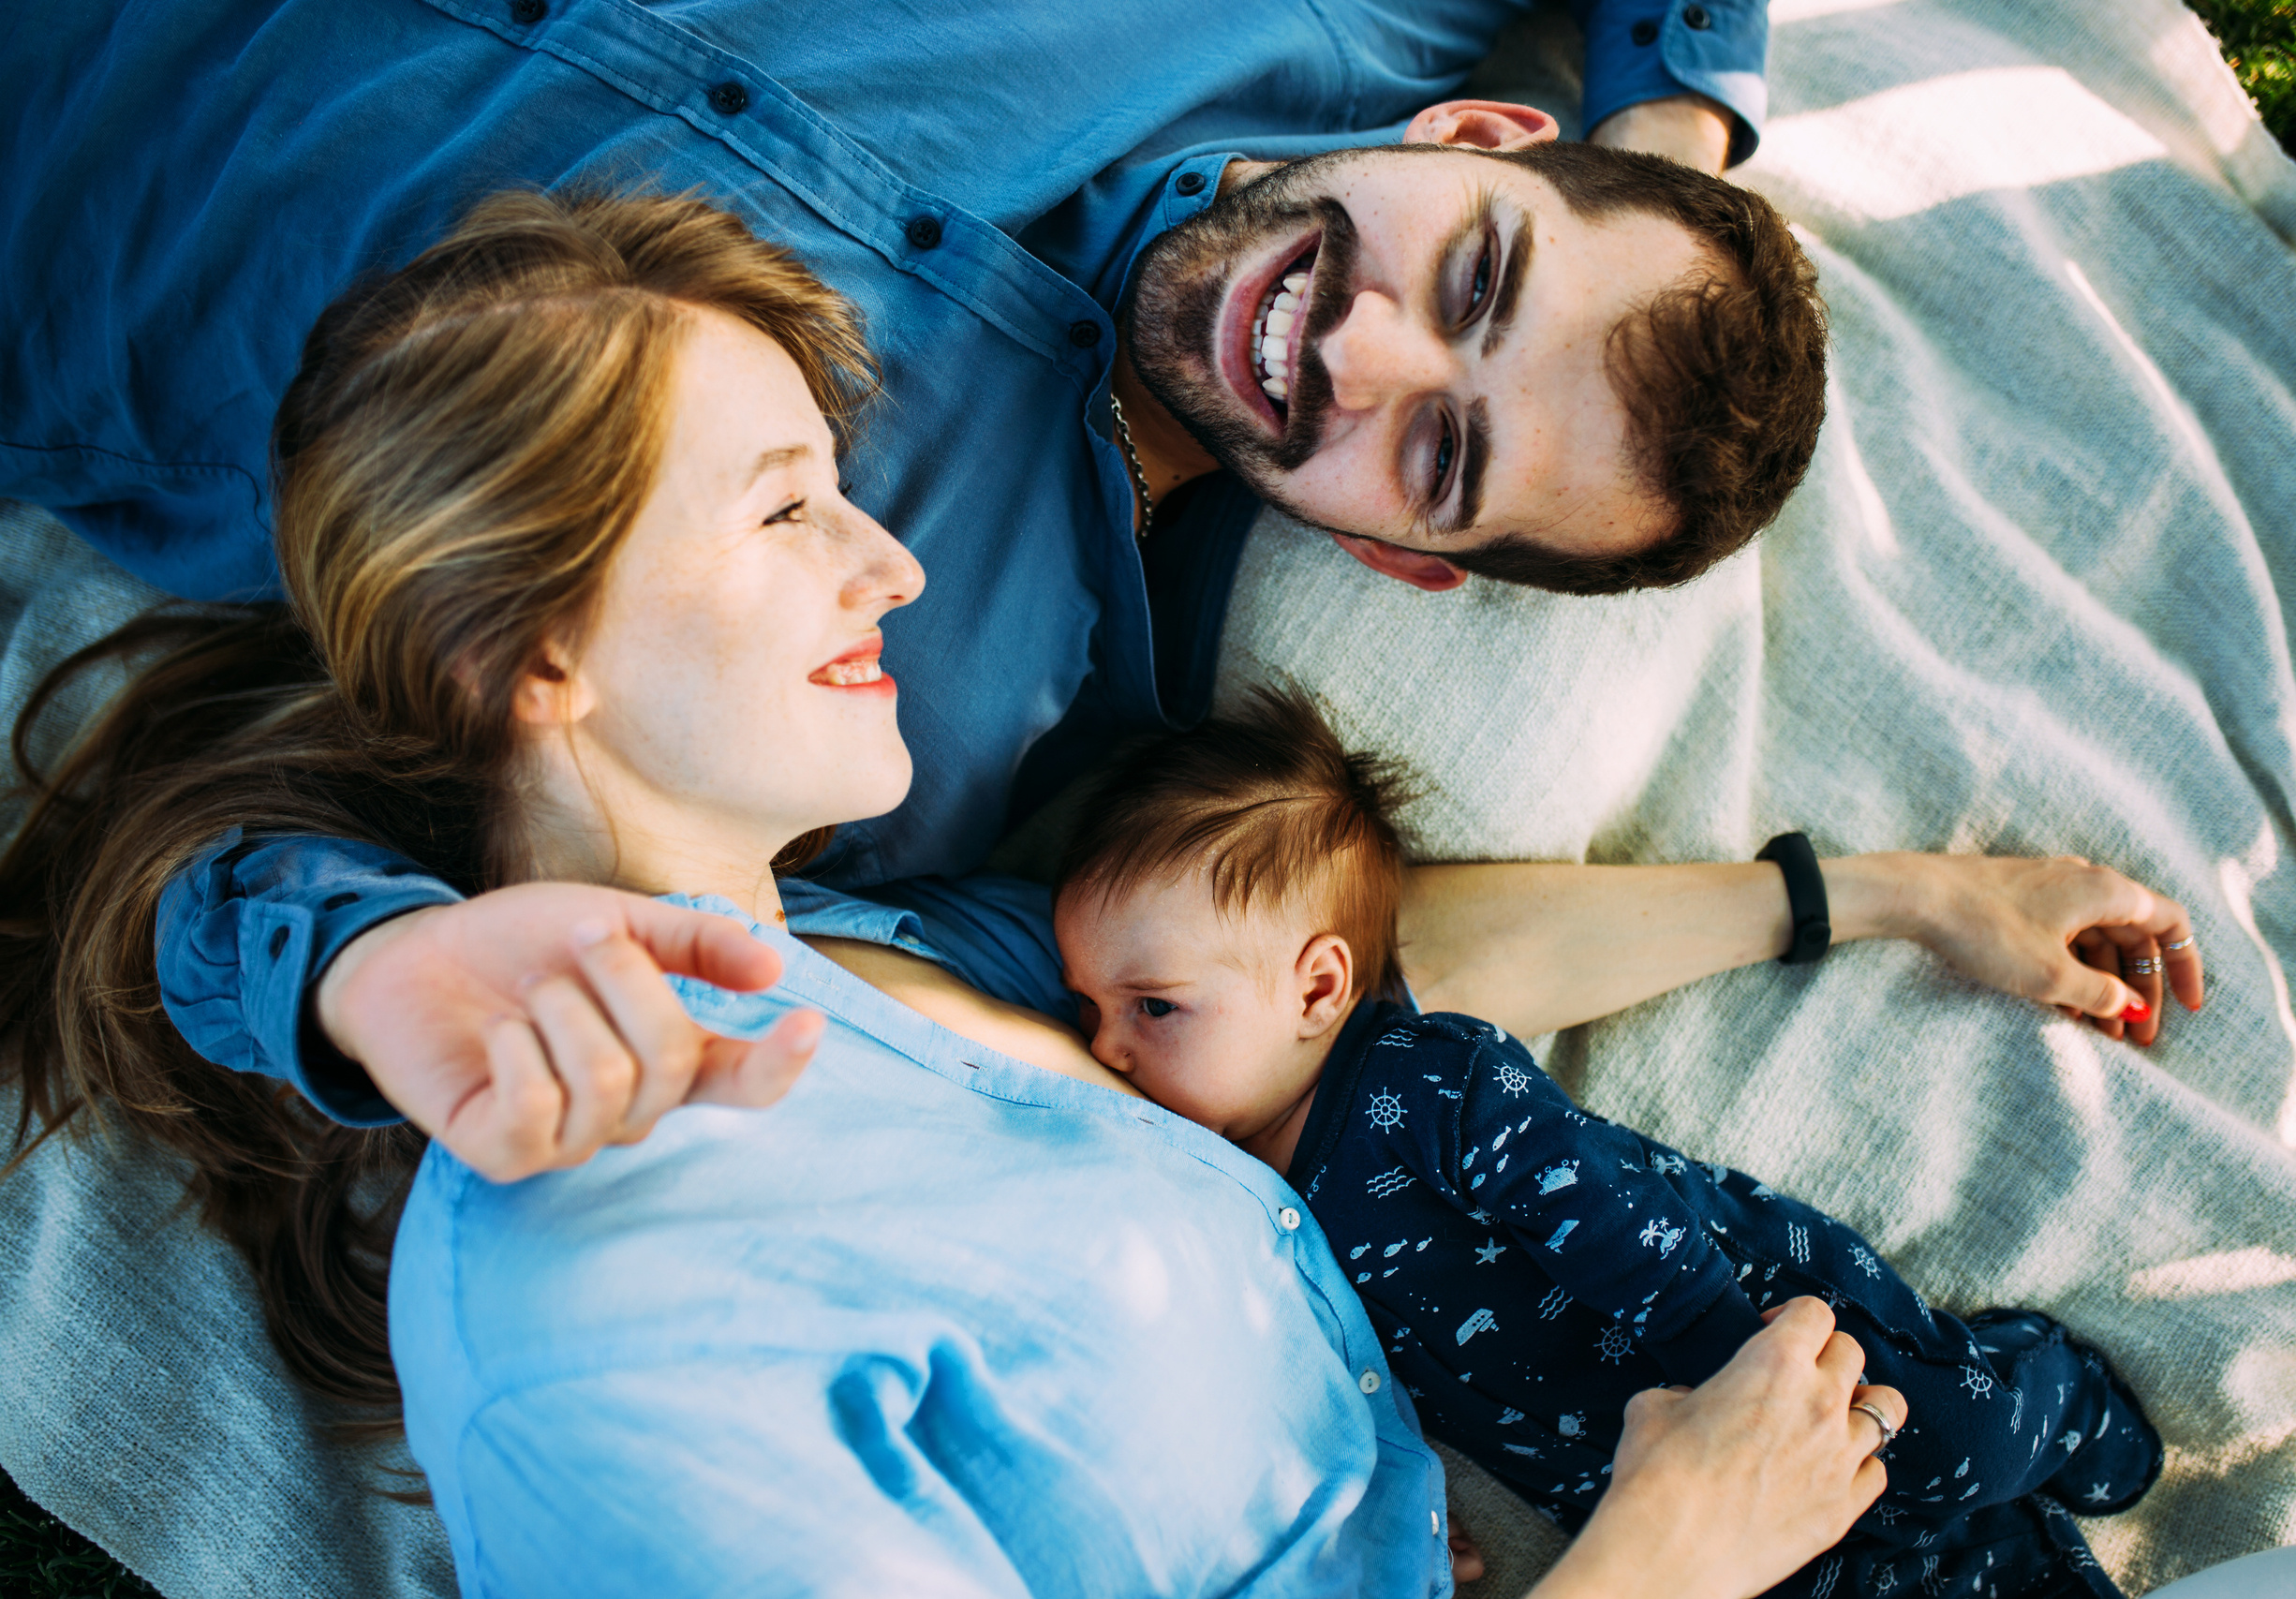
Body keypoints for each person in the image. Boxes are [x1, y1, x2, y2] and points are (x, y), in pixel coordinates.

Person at [1, 186, 1909, 1598]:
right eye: (783, 505)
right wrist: (1658, 1561)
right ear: (534, 643)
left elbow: (1314, 963)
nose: (892, 565)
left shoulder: (885, 960)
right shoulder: (604, 1317)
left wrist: (1862, 898)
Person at [1047, 688, 2163, 1598]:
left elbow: (1600, 1209)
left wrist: (1720, 1350)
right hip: (1623, 1464)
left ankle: (2053, 1397)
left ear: (1318, 986)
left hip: (1749, 1324)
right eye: (1087, 1009)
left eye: (1153, 1007)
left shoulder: (1422, 1083)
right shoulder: (1246, 1209)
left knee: (1946, 1441)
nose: (1105, 1047)